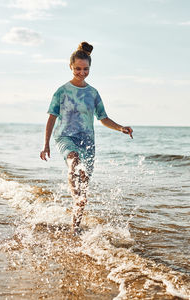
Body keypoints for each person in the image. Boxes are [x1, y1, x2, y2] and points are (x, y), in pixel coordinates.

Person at [40, 41, 133, 235]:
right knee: (74, 160)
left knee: (84, 182)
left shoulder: (93, 93)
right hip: (65, 137)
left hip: (87, 142)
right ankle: (75, 195)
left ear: (89, 68)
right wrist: (46, 144)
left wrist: (120, 128)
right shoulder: (62, 91)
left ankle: (75, 228)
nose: (82, 72)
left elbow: (103, 118)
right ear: (71, 67)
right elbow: (51, 117)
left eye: (85, 69)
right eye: (78, 69)